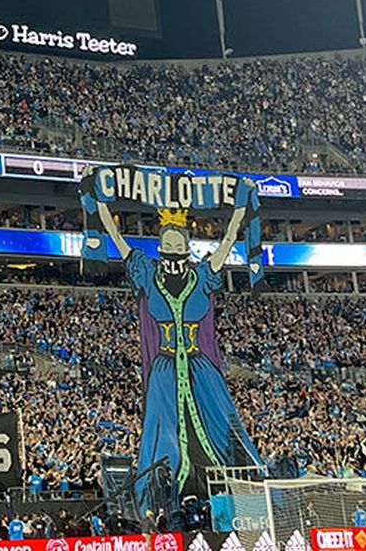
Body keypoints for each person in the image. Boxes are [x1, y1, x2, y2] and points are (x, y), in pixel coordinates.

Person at [88, 189, 260, 511]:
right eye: (167, 246)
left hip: (200, 370)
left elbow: (226, 243)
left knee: (220, 423)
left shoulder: (202, 277)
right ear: (159, 248)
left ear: (186, 248)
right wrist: (100, 207)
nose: (172, 250)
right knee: (160, 432)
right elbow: (119, 243)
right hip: (165, 370)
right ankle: (160, 499)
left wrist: (238, 213)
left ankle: (235, 491)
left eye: (178, 246)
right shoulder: (148, 275)